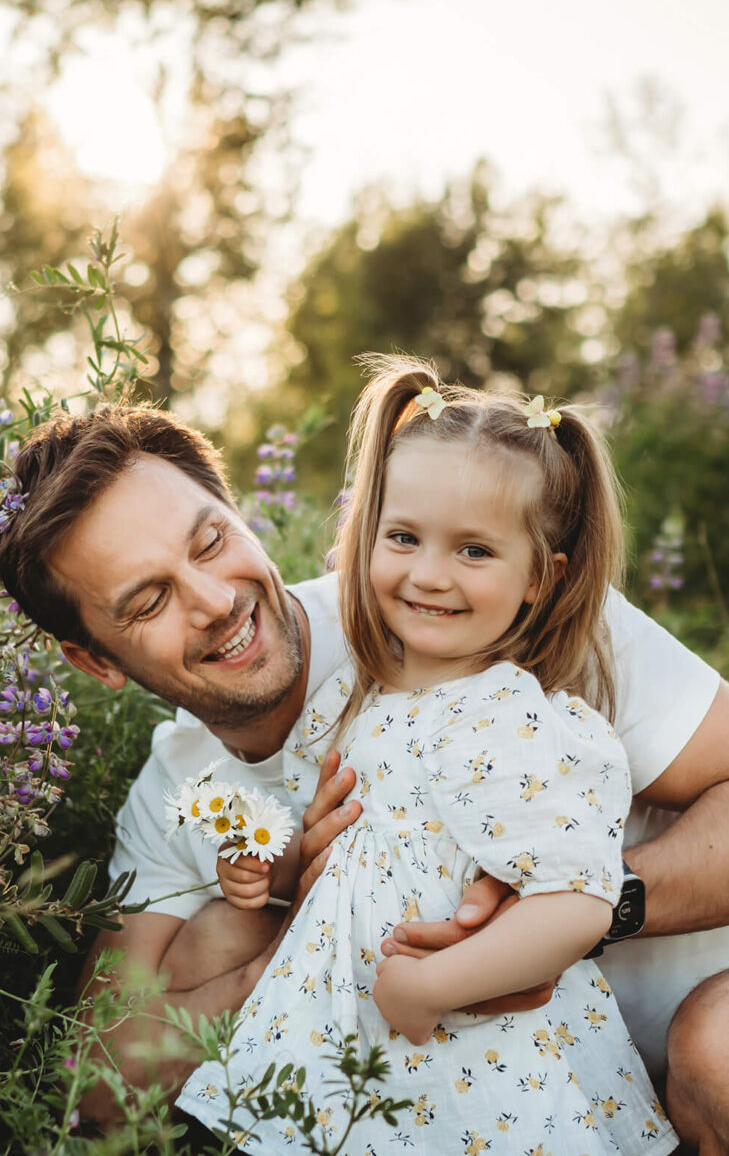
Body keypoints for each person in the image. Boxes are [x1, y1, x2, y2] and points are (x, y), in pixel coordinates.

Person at [0, 386, 729, 1155]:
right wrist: (305, 942)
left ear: (241, 515)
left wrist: (557, 919)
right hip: (505, 1122)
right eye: (149, 599)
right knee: (206, 935)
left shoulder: (470, 607)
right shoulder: (180, 788)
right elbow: (98, 1074)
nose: (214, 599)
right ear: (96, 661)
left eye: (209, 541)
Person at [178, 360, 673, 1151]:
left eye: (474, 551)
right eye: (404, 537)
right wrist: (264, 865)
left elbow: (577, 897)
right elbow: (331, 858)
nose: (429, 574)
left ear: (541, 580)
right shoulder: (355, 695)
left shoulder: (516, 718)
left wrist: (434, 984)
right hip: (336, 1038)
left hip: (474, 1055)